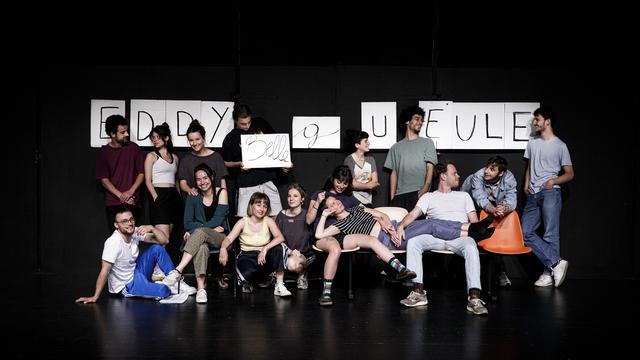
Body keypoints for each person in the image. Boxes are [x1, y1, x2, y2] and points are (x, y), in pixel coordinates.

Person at [396, 161, 490, 315]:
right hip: (435, 235)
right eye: (455, 173)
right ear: (443, 176)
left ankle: (474, 297)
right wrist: (400, 226)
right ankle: (418, 292)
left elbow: (474, 223)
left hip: (459, 236)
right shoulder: (429, 196)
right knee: (413, 242)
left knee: (471, 246)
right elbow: (413, 214)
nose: (458, 176)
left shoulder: (464, 196)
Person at [314, 195, 421, 306]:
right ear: (329, 210)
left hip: (388, 230)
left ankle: (403, 270)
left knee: (426, 227)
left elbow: (380, 216)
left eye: (336, 200)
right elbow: (318, 234)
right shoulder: (339, 225)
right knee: (371, 240)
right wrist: (324, 215)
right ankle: (326, 293)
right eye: (332, 204)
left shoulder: (356, 208)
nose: (337, 203)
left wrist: (384, 223)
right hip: (373, 239)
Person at [75, 205, 194, 303]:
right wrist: (95, 296)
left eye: (131, 219)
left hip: (137, 272)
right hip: (127, 284)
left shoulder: (134, 232)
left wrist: (152, 228)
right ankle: (161, 286)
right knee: (164, 290)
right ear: (116, 225)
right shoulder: (113, 243)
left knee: (157, 248)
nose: (130, 223)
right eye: (124, 221)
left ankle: (176, 281)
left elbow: (164, 241)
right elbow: (105, 270)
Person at [522, 107, 574, 288]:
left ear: (547, 121)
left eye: (537, 119)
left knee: (550, 233)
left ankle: (547, 274)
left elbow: (569, 174)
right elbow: (529, 165)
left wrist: (553, 181)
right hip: (533, 194)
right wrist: (526, 183)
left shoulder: (560, 146)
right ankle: (556, 262)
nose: (534, 123)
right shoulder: (532, 142)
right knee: (525, 232)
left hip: (551, 192)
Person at [218, 192, 294, 297]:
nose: (261, 209)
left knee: (278, 247)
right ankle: (258, 280)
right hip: (247, 256)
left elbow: (280, 237)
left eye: (265, 206)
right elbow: (229, 238)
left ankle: (279, 285)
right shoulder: (243, 222)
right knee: (246, 276)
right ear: (251, 206)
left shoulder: (268, 221)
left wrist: (265, 249)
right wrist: (223, 248)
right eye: (258, 205)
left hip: (264, 256)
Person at [173, 163, 229, 303]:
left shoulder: (221, 192)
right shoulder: (192, 197)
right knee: (202, 247)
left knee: (200, 232)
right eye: (198, 179)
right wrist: (204, 230)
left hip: (219, 237)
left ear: (212, 177)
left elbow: (218, 219)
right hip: (200, 238)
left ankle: (178, 269)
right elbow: (187, 223)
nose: (202, 182)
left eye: (205, 178)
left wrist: (196, 231)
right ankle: (201, 289)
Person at [461, 155, 517, 286]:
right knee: (474, 239)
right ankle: (469, 276)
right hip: (471, 205)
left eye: (492, 169)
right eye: (487, 167)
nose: (487, 171)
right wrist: (494, 210)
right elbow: (480, 198)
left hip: (493, 208)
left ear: (501, 173)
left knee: (495, 238)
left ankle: (499, 272)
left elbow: (512, 200)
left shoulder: (509, 178)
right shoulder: (478, 176)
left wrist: (504, 207)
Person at [221, 104, 286, 217]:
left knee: (276, 216)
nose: (247, 126)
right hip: (247, 184)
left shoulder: (261, 123)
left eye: (249, 122)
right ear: (235, 121)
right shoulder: (230, 138)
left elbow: (277, 144)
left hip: (267, 180)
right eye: (243, 124)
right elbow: (224, 162)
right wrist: (239, 164)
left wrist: (283, 163)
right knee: (247, 219)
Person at [96, 114, 145, 234]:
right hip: (113, 203)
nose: (127, 134)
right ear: (113, 134)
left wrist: (130, 192)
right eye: (123, 132)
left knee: (133, 239)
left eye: (127, 131)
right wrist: (121, 196)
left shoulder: (134, 148)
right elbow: (104, 180)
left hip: (133, 202)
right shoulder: (104, 153)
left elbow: (141, 173)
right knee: (116, 240)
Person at [384, 105, 438, 211]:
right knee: (397, 226)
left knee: (418, 226)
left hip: (418, 192)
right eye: (417, 119)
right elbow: (394, 173)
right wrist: (392, 198)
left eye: (422, 120)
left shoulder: (427, 143)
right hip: (399, 195)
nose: (420, 122)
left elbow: (430, 167)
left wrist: (425, 188)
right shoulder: (395, 147)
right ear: (407, 121)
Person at [143, 122, 182, 241]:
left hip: (173, 196)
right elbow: (148, 180)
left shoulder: (175, 157)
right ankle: (138, 237)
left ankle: (160, 259)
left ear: (166, 138)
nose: (155, 140)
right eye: (153, 138)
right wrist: (156, 197)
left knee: (169, 238)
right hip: (159, 194)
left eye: (158, 137)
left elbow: (175, 179)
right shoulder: (151, 156)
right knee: (164, 238)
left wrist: (179, 196)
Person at [275, 183, 316, 289]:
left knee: (293, 265)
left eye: (295, 196)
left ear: (302, 199)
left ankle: (302, 274)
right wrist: (290, 251)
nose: (291, 199)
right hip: (287, 252)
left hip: (303, 254)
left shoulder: (307, 215)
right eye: (289, 196)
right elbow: (277, 239)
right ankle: (275, 276)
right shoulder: (281, 215)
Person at [177, 119, 228, 196]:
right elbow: (182, 183)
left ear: (203, 138)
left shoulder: (216, 157)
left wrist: (224, 201)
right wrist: (190, 190)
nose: (194, 143)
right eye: (191, 140)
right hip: (195, 201)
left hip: (214, 201)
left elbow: (222, 183)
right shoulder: (185, 160)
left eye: (197, 139)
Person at [343, 129, 379, 205]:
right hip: (353, 200)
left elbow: (375, 181)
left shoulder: (371, 160)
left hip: (368, 201)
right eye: (366, 141)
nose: (369, 143)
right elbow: (351, 183)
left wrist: (360, 185)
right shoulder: (349, 160)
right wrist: (368, 186)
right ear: (357, 145)